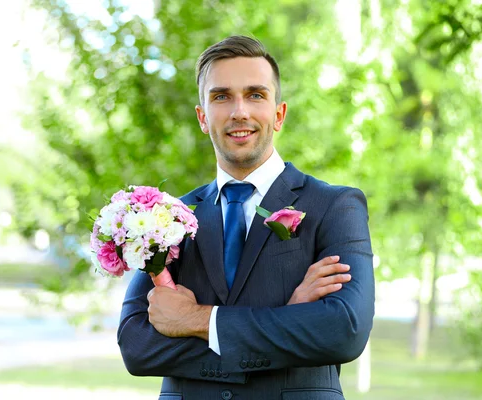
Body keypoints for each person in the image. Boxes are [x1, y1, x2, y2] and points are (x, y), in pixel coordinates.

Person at [118, 35, 375, 400]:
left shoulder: (336, 206)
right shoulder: (167, 218)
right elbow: (136, 346)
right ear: (203, 117)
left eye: (256, 94)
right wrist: (288, 318)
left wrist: (196, 321)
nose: (240, 111)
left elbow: (344, 331)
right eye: (221, 96)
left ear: (279, 113)